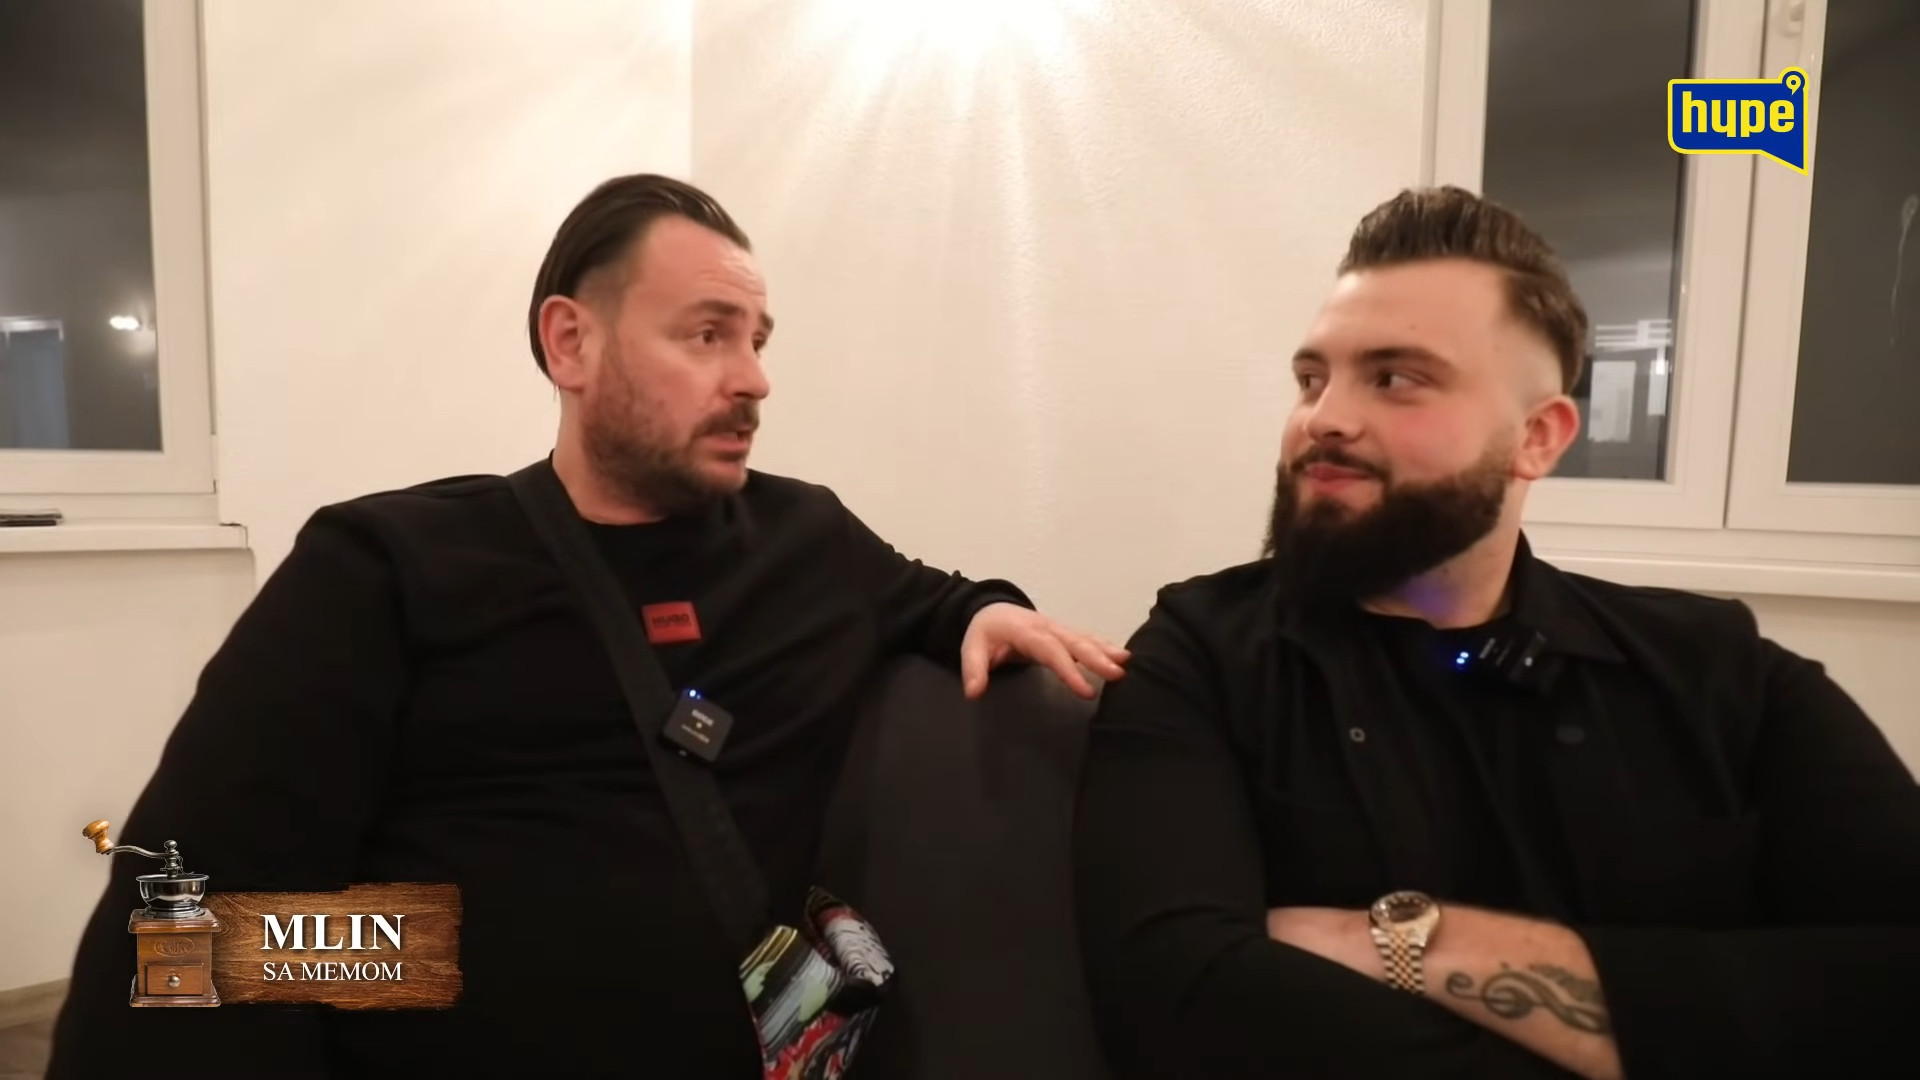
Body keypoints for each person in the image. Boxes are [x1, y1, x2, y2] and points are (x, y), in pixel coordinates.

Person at [49, 173, 1128, 1078]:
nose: (754, 379)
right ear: (571, 343)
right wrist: (430, 959)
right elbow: (188, 913)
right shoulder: (386, 567)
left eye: (757, 340)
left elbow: (937, 596)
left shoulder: (807, 540)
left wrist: (991, 609)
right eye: (707, 335)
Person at [1071, 186, 1920, 1080]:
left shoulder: (1719, 670)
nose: (1323, 419)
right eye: (1312, 379)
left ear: (1538, 438)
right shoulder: (1203, 653)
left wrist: (1404, 943)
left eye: (1395, 378)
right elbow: (1181, 1010)